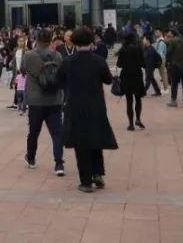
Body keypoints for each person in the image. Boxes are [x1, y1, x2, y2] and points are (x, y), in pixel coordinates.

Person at [59, 27, 117, 193]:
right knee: (95, 139)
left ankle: (85, 182)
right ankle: (97, 174)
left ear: (74, 42)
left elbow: (59, 80)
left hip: (75, 106)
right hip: (96, 106)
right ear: (91, 41)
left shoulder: (68, 61)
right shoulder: (98, 60)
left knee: (80, 143)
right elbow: (108, 80)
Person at [22, 30, 65, 176]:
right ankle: (59, 163)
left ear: (37, 39)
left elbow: (22, 70)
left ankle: (31, 158)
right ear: (51, 40)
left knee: (34, 132)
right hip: (55, 99)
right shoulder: (57, 55)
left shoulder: (29, 55)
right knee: (56, 133)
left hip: (36, 101)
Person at [116, 33, 146, 130]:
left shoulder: (122, 50)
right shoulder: (138, 49)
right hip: (137, 76)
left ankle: (131, 124)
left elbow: (119, 64)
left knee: (129, 101)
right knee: (138, 99)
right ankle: (138, 119)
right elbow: (143, 63)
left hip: (126, 77)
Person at [165, 30, 183, 108]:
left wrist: (168, 61)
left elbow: (169, 52)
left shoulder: (173, 41)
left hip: (174, 65)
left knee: (174, 83)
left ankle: (173, 101)